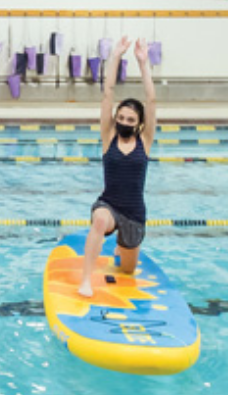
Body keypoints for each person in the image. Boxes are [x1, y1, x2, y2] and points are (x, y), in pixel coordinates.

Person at [79, 36, 157, 297]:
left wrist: (143, 63)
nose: (123, 121)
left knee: (126, 269)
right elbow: (108, 93)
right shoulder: (109, 136)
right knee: (99, 221)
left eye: (130, 119)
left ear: (139, 124)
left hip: (135, 214)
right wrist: (115, 57)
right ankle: (86, 280)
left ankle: (121, 248)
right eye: (120, 117)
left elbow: (152, 101)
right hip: (109, 205)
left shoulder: (144, 141)